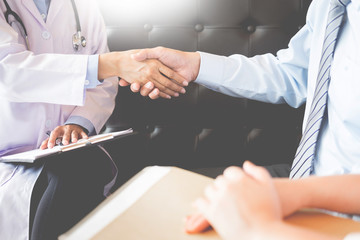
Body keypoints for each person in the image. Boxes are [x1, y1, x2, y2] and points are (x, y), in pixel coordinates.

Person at [121, 0, 360, 238]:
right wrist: (196, 64)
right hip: (306, 189)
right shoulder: (331, 5)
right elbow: (295, 76)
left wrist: (260, 227)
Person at [0, 0, 187, 239]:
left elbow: (105, 84)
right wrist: (112, 63)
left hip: (68, 154)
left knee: (77, 168)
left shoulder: (82, 5)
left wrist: (78, 122)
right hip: (8, 156)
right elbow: (6, 70)